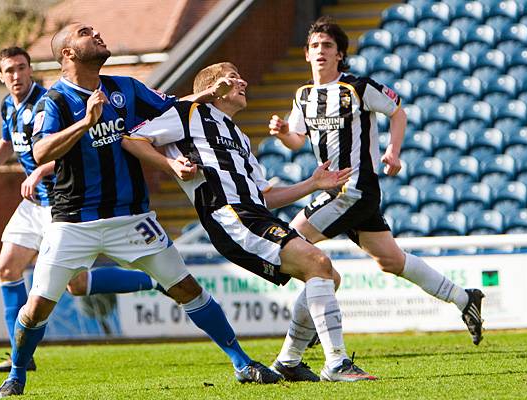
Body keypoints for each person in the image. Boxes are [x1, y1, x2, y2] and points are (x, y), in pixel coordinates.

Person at [0, 25, 280, 399]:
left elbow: (172, 108)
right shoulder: (56, 102)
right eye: (84, 32)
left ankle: (242, 363)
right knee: (37, 308)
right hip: (74, 222)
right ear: (68, 54)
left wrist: (208, 94)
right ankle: (16, 374)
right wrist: (84, 123)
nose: (96, 33)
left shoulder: (125, 87)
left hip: (132, 217)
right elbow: (41, 152)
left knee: (188, 288)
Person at [123, 61, 377, 383]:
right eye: (234, 77)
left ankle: (288, 362)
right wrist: (172, 164)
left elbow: (265, 196)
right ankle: (337, 364)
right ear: (215, 89)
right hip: (229, 215)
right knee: (318, 262)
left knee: (328, 275)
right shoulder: (189, 113)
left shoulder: (240, 136)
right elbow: (132, 139)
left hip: (254, 212)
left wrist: (311, 185)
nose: (242, 82)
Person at [267, 17, 485, 364]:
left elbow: (398, 112)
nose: (320, 51)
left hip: (353, 189)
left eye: (327, 46)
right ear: (306, 55)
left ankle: (304, 338)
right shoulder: (303, 96)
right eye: (314, 46)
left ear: (340, 55)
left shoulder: (357, 87)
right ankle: (464, 299)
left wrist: (393, 151)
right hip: (339, 193)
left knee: (293, 244)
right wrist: (281, 134)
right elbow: (296, 140)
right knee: (391, 261)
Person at [0, 47, 162, 375]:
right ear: (1, 76)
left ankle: (154, 282)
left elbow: (72, 148)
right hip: (32, 204)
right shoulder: (8, 106)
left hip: (61, 203)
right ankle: (19, 356)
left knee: (77, 286)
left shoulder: (51, 101)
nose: (16, 75)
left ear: (31, 70)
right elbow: (8, 143)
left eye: (22, 68)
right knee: (7, 270)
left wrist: (40, 171)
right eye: (9, 70)